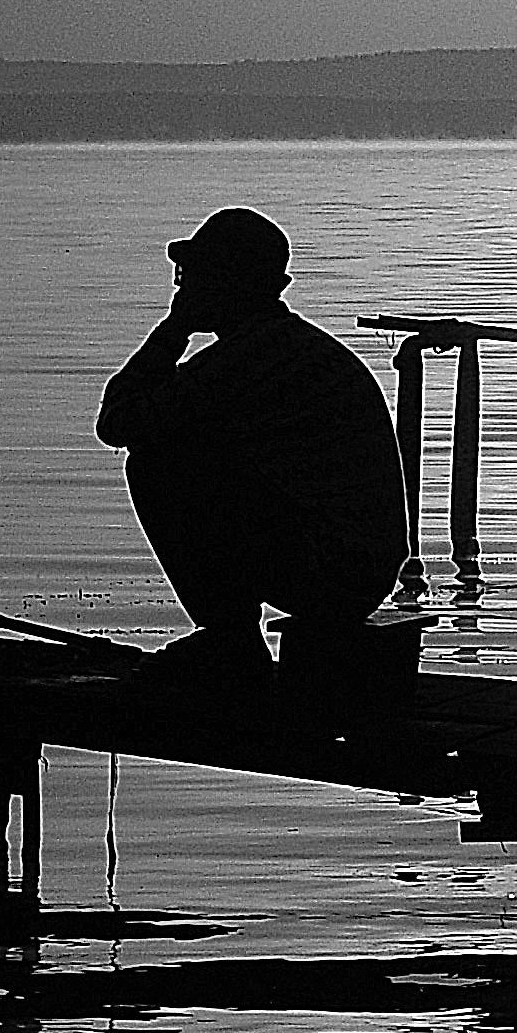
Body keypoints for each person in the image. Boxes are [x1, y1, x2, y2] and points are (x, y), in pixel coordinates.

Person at [95, 207, 406, 683]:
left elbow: (119, 423)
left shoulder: (251, 359)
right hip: (356, 566)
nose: (183, 288)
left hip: (335, 569)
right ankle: (231, 636)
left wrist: (173, 330)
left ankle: (230, 637)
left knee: (156, 462)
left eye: (193, 275)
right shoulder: (279, 347)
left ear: (227, 281)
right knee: (176, 449)